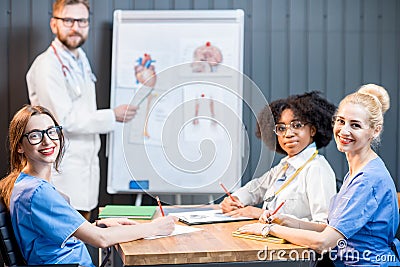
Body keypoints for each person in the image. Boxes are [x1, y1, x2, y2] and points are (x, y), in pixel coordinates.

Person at [237, 84, 400, 266]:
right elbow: (332, 228)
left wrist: (268, 229)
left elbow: (324, 242)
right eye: (340, 121)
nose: (344, 131)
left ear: (375, 130)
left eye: (355, 125)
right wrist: (287, 221)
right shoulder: (358, 171)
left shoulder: (367, 180)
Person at [0, 105, 176, 266]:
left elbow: (52, 235)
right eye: (35, 135)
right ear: (19, 146)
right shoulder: (38, 192)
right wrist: (155, 227)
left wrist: (97, 225)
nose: (47, 141)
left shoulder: (24, 183)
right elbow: (101, 240)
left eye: (51, 132)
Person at [25, 0, 138, 220]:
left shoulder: (79, 59)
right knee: (65, 245)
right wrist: (112, 116)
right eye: (68, 20)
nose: (76, 27)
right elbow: (63, 120)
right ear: (53, 24)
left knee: (82, 239)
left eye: (82, 21)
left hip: (84, 172)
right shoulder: (47, 65)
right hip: (62, 172)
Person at [221, 91, 337, 222]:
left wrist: (261, 213)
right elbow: (255, 189)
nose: (288, 134)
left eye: (297, 125)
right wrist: (235, 199)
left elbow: (324, 225)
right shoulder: (284, 167)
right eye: (281, 128)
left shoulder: (317, 169)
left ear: (313, 130)